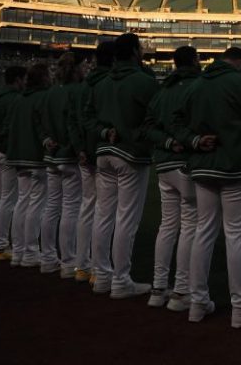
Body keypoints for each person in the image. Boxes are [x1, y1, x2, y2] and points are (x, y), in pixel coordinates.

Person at [177, 47, 241, 328]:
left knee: (203, 233)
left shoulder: (195, 85)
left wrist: (194, 140)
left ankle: (197, 303)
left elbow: (174, 122)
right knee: (236, 237)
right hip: (236, 166)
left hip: (202, 165)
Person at [87, 32, 159, 298]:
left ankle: (102, 276)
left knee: (103, 215)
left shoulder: (101, 82)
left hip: (103, 151)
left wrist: (105, 133)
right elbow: (158, 115)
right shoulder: (143, 80)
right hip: (130, 153)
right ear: (133, 52)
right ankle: (120, 281)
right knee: (126, 219)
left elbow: (88, 118)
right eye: (139, 48)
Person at [144, 46, 200, 310]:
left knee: (167, 227)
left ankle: (158, 289)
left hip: (163, 163)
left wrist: (166, 142)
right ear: (195, 61)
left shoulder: (162, 90)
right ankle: (181, 291)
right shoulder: (197, 86)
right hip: (186, 162)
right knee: (190, 226)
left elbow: (148, 127)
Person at [74, 41, 115, 283]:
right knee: (107, 211)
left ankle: (82, 266)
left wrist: (79, 147)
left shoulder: (83, 85)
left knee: (87, 207)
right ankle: (101, 271)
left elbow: (74, 119)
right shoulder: (108, 83)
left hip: (84, 151)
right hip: (104, 149)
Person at [40, 53, 83, 277]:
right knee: (71, 209)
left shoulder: (50, 92)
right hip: (69, 155)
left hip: (51, 154)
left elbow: (41, 122)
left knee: (51, 207)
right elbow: (74, 123)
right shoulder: (76, 90)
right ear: (76, 69)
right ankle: (68, 261)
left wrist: (47, 140)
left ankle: (47, 258)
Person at [6, 63, 52, 268]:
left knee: (22, 202)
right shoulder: (43, 97)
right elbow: (43, 124)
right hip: (36, 155)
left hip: (17, 155)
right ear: (43, 78)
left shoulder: (18, 99)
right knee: (36, 204)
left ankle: (18, 251)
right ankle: (31, 252)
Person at [0, 65, 27, 261]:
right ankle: (1, 245)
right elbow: (10, 127)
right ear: (18, 79)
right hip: (5, 150)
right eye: (23, 79)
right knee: (7, 200)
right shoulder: (14, 98)